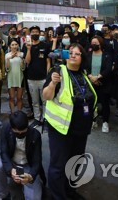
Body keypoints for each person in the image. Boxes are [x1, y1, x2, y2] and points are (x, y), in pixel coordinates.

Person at [42, 43, 97, 200]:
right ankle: (58, 196)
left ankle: (69, 191)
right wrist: (53, 83)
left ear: (82, 58)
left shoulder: (84, 75)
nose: (73, 55)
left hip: (81, 129)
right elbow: (45, 96)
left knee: (75, 162)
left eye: (77, 54)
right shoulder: (58, 71)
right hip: (61, 127)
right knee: (58, 165)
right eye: (70, 53)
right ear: (66, 56)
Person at [0, 111, 43, 200]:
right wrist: (10, 169)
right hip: (12, 162)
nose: (20, 134)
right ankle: (4, 195)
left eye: (23, 132)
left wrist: (31, 176)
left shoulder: (35, 134)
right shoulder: (6, 129)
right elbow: (3, 152)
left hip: (27, 165)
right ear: (12, 128)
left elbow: (37, 160)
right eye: (17, 132)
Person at [23, 26, 51, 128]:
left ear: (39, 33)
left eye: (36, 32)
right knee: (35, 101)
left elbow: (48, 61)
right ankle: (37, 118)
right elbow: (27, 61)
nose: (35, 33)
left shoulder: (45, 45)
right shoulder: (26, 46)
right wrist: (29, 49)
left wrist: (48, 75)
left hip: (43, 78)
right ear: (30, 34)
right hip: (31, 78)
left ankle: (45, 119)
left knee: (44, 101)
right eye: (33, 32)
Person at [87, 36, 113, 133]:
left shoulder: (107, 55)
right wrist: (91, 77)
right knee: (92, 103)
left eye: (96, 43)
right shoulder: (88, 55)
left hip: (103, 82)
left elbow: (108, 68)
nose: (94, 45)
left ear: (100, 44)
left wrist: (98, 77)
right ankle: (93, 120)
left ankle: (105, 122)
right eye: (92, 43)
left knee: (105, 103)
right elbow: (85, 67)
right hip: (91, 83)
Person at [5, 40, 25, 113]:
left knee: (19, 98)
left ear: (18, 46)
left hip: (20, 78)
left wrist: (21, 58)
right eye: (12, 45)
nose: (14, 46)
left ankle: (19, 113)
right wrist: (8, 59)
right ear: (10, 46)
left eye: (16, 44)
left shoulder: (22, 54)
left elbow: (23, 68)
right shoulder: (7, 55)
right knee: (12, 97)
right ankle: (13, 114)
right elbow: (7, 69)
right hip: (11, 78)